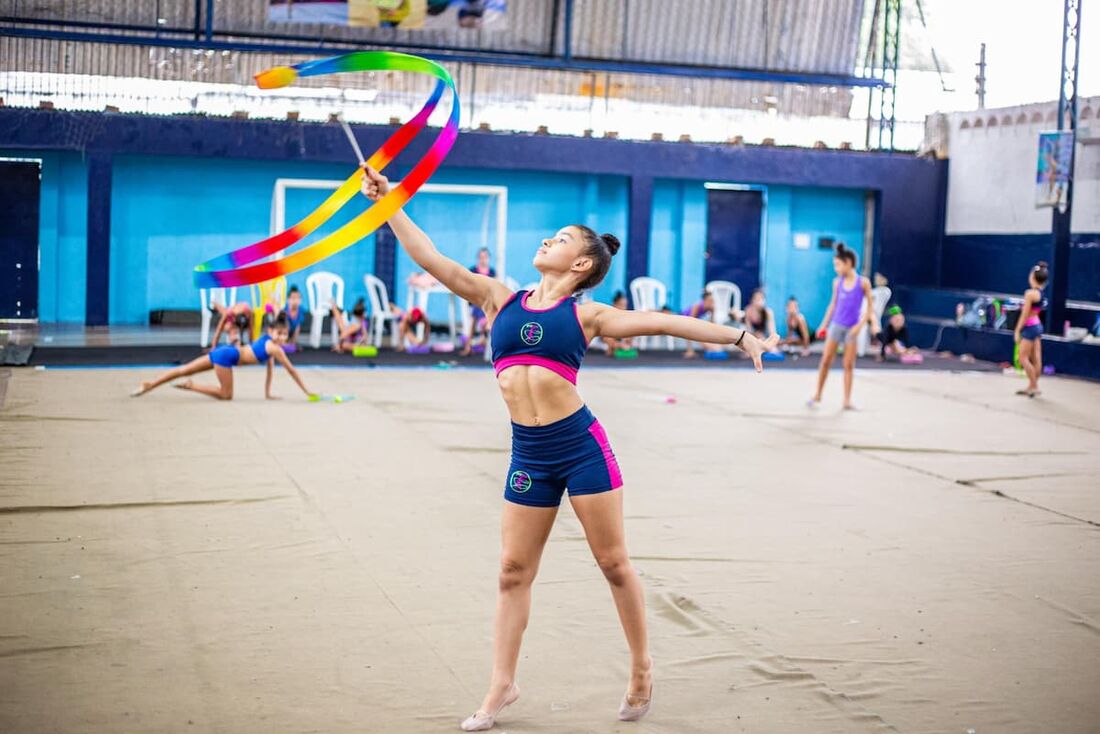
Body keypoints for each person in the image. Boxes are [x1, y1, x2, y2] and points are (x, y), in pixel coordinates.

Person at [359, 164, 777, 731]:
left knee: (612, 562)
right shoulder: (497, 298)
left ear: (580, 265)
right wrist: (390, 204)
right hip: (528, 454)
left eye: (557, 240)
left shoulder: (588, 315)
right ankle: (501, 684)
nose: (544, 241)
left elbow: (666, 322)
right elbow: (431, 258)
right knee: (511, 570)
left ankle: (641, 668)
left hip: (580, 449)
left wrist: (739, 335)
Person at [131, 313, 313, 400]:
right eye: (279, 333)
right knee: (226, 395)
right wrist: (307, 391)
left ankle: (150, 384)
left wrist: (267, 393)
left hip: (225, 352)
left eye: (285, 334)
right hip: (228, 357)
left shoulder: (270, 344)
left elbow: (270, 369)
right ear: (270, 331)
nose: (282, 337)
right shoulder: (275, 348)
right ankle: (191, 385)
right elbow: (292, 371)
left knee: (183, 369)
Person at [809, 243, 879, 410]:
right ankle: (818, 394)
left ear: (848, 263)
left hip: (852, 328)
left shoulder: (863, 283)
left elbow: (870, 308)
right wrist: (823, 325)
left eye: (838, 265)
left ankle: (847, 400)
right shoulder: (837, 282)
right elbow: (832, 305)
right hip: (836, 326)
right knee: (826, 360)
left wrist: (860, 326)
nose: (836, 268)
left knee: (848, 365)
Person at [1014, 261, 1049, 397]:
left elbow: (1024, 314)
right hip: (1037, 325)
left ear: (1032, 277)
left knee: (1022, 358)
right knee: (1036, 358)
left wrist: (1017, 330)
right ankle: (1032, 385)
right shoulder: (1042, 293)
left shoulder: (1030, 294)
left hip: (1030, 327)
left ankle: (1034, 386)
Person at [461, 247, 496, 356]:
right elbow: (468, 286)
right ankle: (483, 328)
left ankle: (482, 333)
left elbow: (495, 287)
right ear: (478, 258)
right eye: (481, 257)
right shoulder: (473, 271)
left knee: (481, 310)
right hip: (475, 300)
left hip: (487, 301)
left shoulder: (492, 272)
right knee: (476, 312)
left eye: (485, 257)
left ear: (488, 258)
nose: (483, 259)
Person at [680, 290, 715, 359]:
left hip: (693, 320)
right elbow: (691, 320)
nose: (711, 303)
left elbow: (712, 323)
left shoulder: (711, 308)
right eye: (709, 301)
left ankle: (709, 347)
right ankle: (689, 351)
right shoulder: (697, 306)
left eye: (712, 301)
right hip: (683, 317)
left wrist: (713, 312)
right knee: (689, 330)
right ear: (704, 301)